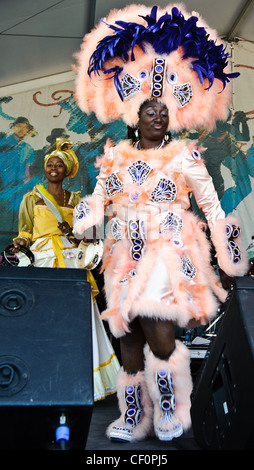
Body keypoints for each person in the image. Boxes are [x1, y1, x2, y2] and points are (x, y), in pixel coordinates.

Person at [73, 5, 248, 442]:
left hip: (165, 250)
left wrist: (227, 246)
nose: (157, 116)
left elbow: (209, 201)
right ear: (136, 116)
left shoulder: (184, 156)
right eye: (149, 111)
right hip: (121, 253)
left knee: (159, 332)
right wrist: (88, 213)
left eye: (163, 112)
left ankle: (170, 407)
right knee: (128, 335)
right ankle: (134, 415)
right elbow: (99, 197)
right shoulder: (114, 156)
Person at [13, 137, 120, 402]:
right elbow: (25, 231)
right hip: (43, 261)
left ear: (67, 171)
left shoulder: (78, 201)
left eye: (59, 165)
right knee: (42, 319)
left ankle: (83, 383)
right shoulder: (32, 197)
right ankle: (41, 379)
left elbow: (88, 237)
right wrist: (20, 242)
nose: (54, 168)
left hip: (73, 261)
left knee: (77, 319)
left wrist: (72, 232)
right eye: (51, 164)